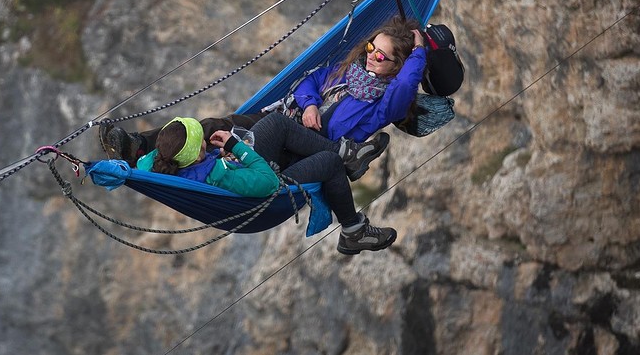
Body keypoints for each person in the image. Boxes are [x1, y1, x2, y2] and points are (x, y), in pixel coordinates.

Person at [102, 17, 426, 177]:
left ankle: (169, 173)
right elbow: (308, 81)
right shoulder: (345, 72)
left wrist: (419, 52)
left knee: (227, 144)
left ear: (398, 65)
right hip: (285, 114)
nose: (372, 57)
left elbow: (404, 88)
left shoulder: (383, 104)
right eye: (372, 48)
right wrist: (311, 102)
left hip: (299, 146)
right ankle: (139, 147)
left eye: (382, 57)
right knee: (214, 124)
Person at [139, 113, 396, 254]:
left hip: (242, 173)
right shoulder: (218, 174)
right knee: (328, 163)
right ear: (196, 155)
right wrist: (234, 146)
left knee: (276, 124)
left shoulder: (157, 164)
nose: (205, 139)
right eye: (201, 140)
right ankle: (354, 231)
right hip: (264, 196)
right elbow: (269, 182)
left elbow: (146, 161)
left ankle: (348, 155)